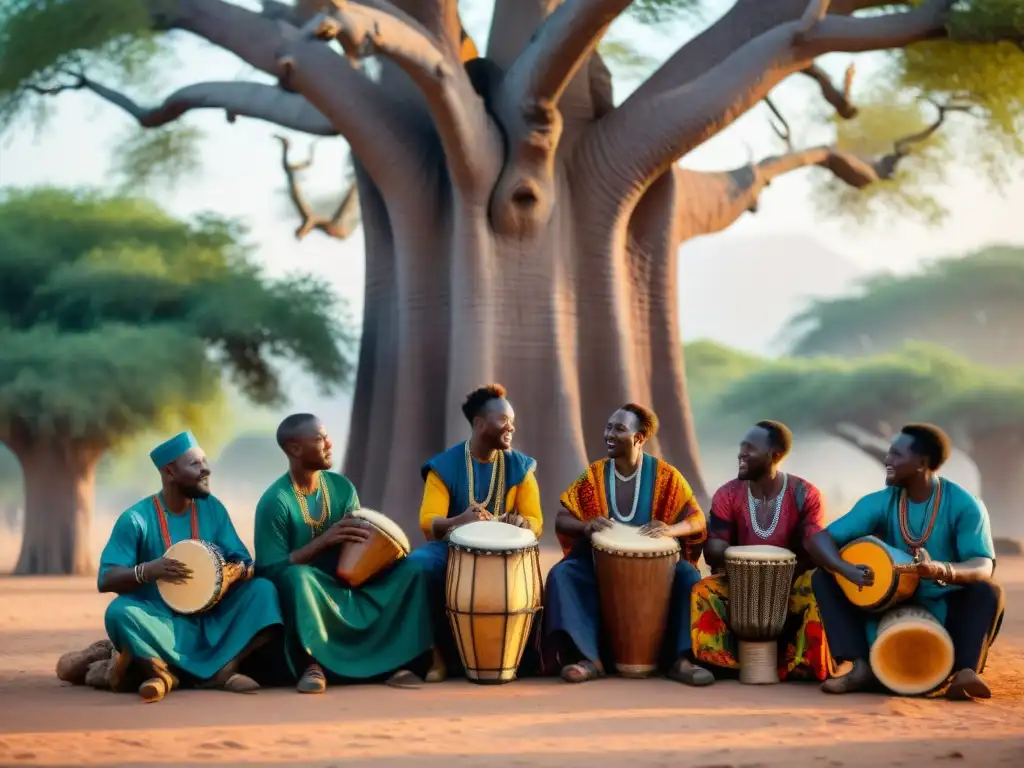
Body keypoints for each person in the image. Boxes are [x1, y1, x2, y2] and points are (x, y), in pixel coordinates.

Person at [809, 423, 1003, 700]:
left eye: (896, 455)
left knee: (987, 590)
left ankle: (964, 672)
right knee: (824, 576)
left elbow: (983, 565)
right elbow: (820, 540)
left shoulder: (965, 505)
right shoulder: (879, 502)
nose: (887, 460)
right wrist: (845, 569)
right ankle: (860, 666)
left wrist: (940, 570)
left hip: (945, 604)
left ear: (922, 463)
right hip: (886, 599)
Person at [95, 431, 283, 703]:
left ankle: (225, 667)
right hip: (161, 621)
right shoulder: (136, 519)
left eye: (205, 461)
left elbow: (244, 560)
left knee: (263, 591)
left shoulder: (212, 508)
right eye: (195, 464)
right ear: (170, 472)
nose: (206, 469)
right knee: (119, 612)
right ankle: (162, 673)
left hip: (214, 617)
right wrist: (149, 570)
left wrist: (235, 573)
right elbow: (106, 578)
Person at [253, 413, 435, 694]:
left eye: (327, 436)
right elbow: (269, 569)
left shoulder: (341, 487)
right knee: (298, 577)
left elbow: (357, 547)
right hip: (310, 590)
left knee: (412, 570)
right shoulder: (275, 502)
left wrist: (381, 551)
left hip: (351, 582)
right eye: (320, 438)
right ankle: (313, 665)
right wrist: (323, 542)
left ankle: (397, 662)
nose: (329, 443)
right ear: (294, 448)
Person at [543, 403, 706, 684]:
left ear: (639, 438)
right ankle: (589, 659)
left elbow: (697, 520)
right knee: (563, 574)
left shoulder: (666, 476)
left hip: (657, 576)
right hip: (599, 570)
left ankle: (681, 660)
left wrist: (671, 529)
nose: (609, 434)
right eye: (608, 427)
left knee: (688, 575)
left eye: (619, 429)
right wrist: (586, 525)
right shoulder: (594, 476)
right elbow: (561, 519)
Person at [409, 384, 543, 680]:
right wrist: (460, 520)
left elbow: (535, 521)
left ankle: (520, 655)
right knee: (416, 566)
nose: (512, 427)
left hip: (506, 553)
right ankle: (435, 656)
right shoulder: (444, 466)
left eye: (513, 420)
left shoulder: (520, 467)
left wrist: (521, 524)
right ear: (480, 424)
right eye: (504, 420)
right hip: (451, 551)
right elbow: (428, 523)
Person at [690, 421, 835, 684]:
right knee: (703, 591)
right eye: (740, 447)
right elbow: (715, 551)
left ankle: (802, 664)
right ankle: (723, 663)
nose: (741, 454)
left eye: (750, 448)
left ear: (775, 455)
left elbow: (814, 544)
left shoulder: (805, 494)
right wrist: (715, 544)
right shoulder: (727, 495)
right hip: (739, 584)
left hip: (792, 583)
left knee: (818, 592)